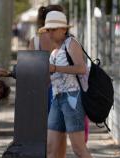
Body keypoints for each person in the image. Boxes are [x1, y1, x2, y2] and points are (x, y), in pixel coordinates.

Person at [41, 11, 92, 158]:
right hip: (57, 99)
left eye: (54, 29)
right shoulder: (54, 51)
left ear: (64, 29)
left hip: (72, 99)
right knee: (50, 149)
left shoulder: (71, 43)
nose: (50, 33)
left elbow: (81, 68)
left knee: (79, 149)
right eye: (48, 30)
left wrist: (55, 68)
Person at [28, 5, 67, 158]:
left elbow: (30, 69)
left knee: (41, 132)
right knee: (61, 133)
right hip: (61, 90)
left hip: (40, 92)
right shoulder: (66, 40)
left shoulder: (35, 40)